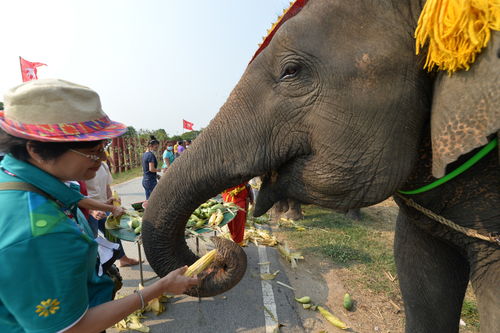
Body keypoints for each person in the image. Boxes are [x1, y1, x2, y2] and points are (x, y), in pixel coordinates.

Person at [0, 79, 198, 332]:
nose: (104, 158)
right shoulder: (41, 235)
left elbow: (72, 198)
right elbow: (73, 328)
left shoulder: (16, 176)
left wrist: (110, 208)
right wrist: (159, 288)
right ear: (37, 150)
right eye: (93, 151)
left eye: (103, 146)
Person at [86, 159, 140, 267]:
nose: (102, 154)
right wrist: (91, 211)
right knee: (92, 242)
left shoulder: (103, 165)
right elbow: (76, 196)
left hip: (103, 206)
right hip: (89, 210)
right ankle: (93, 273)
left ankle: (123, 258)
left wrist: (112, 202)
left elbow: (107, 187)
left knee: (112, 232)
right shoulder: (80, 168)